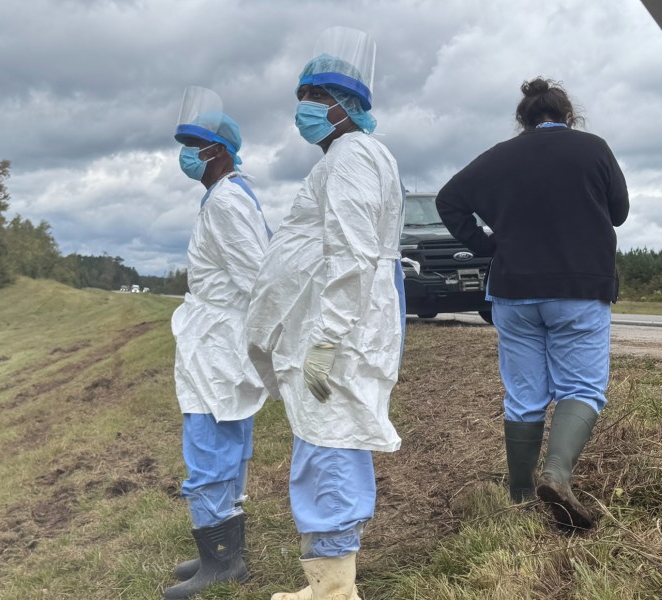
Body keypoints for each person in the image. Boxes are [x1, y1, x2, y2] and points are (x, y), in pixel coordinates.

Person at [245, 26, 404, 600]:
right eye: (303, 99)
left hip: (341, 331)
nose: (305, 111)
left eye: (317, 99)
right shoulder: (346, 155)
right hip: (336, 326)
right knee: (325, 443)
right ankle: (328, 584)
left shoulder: (353, 155)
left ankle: (336, 591)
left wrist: (328, 337)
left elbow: (353, 252)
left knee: (330, 447)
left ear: (346, 107)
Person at [436, 77, 629, 530]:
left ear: (523, 121)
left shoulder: (498, 157)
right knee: (581, 388)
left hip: (513, 290)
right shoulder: (593, 148)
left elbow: (449, 200)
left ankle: (522, 495)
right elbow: (618, 213)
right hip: (579, 287)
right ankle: (557, 475)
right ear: (568, 116)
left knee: (524, 397)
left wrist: (484, 243)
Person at [165, 86, 272, 599]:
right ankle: (222, 549)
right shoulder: (225, 198)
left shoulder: (227, 202)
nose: (186, 154)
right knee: (223, 443)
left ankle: (221, 560)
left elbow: (256, 277)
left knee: (208, 445)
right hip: (217, 340)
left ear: (219, 151)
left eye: (195, 143)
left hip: (218, 344)